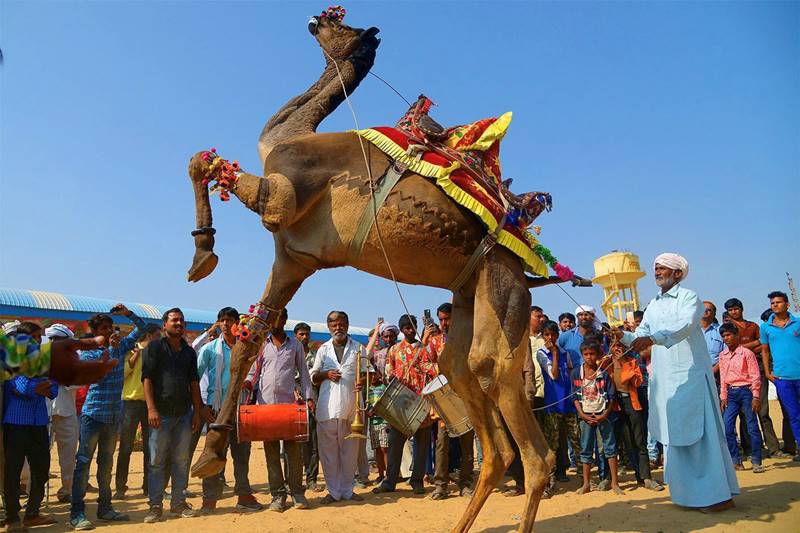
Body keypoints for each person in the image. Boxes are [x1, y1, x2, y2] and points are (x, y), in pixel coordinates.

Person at [617, 253, 738, 511]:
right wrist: (623, 336)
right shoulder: (653, 304)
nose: (658, 272)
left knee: (701, 437)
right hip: (665, 381)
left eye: (663, 268)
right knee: (675, 436)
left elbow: (684, 326)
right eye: (656, 268)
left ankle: (717, 497)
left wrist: (653, 339)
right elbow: (641, 333)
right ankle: (687, 496)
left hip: (690, 377)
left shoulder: (689, 298)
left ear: (678, 274)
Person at [70, 305, 146, 530]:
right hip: (93, 415)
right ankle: (77, 513)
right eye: (103, 329)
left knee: (105, 464)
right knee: (83, 463)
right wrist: (112, 349)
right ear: (93, 331)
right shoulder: (88, 351)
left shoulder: (121, 346)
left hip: (113, 416)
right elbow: (99, 371)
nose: (108, 331)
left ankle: (105, 508)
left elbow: (143, 328)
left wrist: (128, 313)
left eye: (110, 328)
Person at [245, 308, 314, 512]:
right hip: (265, 407)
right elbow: (253, 371)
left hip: (289, 408)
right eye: (272, 318)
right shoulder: (261, 344)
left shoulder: (295, 345)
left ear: (284, 319)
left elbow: (303, 372)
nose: (276, 321)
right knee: (272, 453)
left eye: (280, 317)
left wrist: (309, 397)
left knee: (294, 452)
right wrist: (248, 383)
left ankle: (298, 494)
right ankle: (278, 496)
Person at [198, 307, 261, 514]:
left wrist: (249, 382)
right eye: (222, 320)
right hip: (216, 410)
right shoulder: (209, 349)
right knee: (213, 454)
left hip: (240, 410)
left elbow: (255, 372)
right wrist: (201, 406)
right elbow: (194, 379)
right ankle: (209, 501)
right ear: (218, 323)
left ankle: (243, 496)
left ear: (237, 324)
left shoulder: (247, 347)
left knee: (241, 455)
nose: (226, 323)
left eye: (230, 320)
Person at [142, 308, 202, 523]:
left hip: (184, 414)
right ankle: (155, 506)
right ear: (164, 325)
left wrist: (197, 411)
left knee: (181, 460)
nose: (178, 324)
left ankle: (178, 503)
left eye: (181, 321)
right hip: (160, 414)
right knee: (157, 461)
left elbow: (194, 383)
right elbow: (146, 379)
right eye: (174, 320)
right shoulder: (154, 348)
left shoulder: (188, 352)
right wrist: (151, 409)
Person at [373, 314, 437, 496]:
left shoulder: (425, 348)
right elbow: (388, 371)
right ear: (401, 330)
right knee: (395, 443)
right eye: (406, 327)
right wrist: (390, 376)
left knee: (422, 443)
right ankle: (390, 480)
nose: (410, 330)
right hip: (400, 401)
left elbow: (431, 369)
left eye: (413, 326)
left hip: (421, 400)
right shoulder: (394, 350)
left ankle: (417, 480)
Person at [3, 335, 58, 530]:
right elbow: (23, 388)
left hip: (38, 423)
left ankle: (32, 513)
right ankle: (12, 517)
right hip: (16, 424)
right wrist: (40, 385)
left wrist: (40, 386)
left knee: (41, 470)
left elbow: (54, 390)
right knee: (13, 472)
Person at [311, 311, 366, 503]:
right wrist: (326, 375)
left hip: (352, 409)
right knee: (328, 453)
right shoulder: (323, 350)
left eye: (341, 324)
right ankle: (333, 492)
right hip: (328, 408)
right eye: (334, 325)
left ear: (348, 325)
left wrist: (363, 381)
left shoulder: (359, 348)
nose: (338, 328)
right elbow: (313, 376)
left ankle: (347, 491)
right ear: (328, 327)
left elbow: (368, 374)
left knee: (350, 453)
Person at [426, 303, 475, 500]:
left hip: (466, 398)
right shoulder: (434, 342)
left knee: (466, 443)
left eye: (447, 319)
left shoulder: (468, 338)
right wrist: (441, 369)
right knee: (442, 444)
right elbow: (425, 363)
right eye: (441, 319)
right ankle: (440, 485)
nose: (444, 323)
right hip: (444, 402)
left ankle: (465, 483)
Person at [725, 298, 784, 459]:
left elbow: (763, 344)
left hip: (757, 367)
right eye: (730, 310)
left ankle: (773, 447)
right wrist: (752, 345)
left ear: (741, 309)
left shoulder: (753, 326)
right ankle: (750, 449)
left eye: (736, 309)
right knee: (745, 413)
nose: (734, 312)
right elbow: (734, 348)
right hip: (740, 374)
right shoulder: (729, 328)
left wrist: (746, 346)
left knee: (763, 410)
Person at [608, 341, 663, 490]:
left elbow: (637, 381)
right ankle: (614, 478)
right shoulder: (606, 363)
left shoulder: (632, 362)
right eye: (615, 346)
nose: (618, 348)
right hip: (614, 405)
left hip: (632, 403)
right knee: (625, 443)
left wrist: (623, 363)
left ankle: (646, 478)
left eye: (621, 346)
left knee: (640, 441)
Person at [114, 323, 161, 500]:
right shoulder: (130, 349)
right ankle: (120, 487)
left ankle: (148, 486)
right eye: (157, 336)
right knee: (125, 447)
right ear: (148, 336)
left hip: (151, 405)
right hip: (130, 403)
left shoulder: (158, 353)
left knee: (151, 448)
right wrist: (138, 352)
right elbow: (123, 372)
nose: (159, 339)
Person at [535, 321, 580, 497]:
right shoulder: (542, 353)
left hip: (568, 402)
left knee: (576, 439)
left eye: (553, 334)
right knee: (552, 444)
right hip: (553, 403)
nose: (550, 338)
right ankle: (550, 481)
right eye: (547, 335)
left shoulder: (566, 353)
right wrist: (554, 353)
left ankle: (584, 476)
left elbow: (569, 373)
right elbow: (553, 374)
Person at [572, 341, 622, 495]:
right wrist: (582, 414)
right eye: (586, 354)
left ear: (598, 355)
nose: (589, 357)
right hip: (585, 416)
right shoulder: (576, 373)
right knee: (586, 449)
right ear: (582, 355)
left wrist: (605, 414)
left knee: (609, 448)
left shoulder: (604, 373)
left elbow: (611, 396)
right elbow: (574, 396)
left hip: (603, 415)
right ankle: (586, 483)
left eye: (592, 354)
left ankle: (614, 483)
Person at [718, 323, 764, 473]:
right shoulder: (723, 355)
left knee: (752, 426)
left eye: (729, 335)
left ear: (736, 335)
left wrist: (756, 396)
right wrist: (723, 396)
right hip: (731, 393)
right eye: (724, 336)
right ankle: (735, 460)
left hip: (746, 391)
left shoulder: (746, 353)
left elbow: (755, 375)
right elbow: (723, 376)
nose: (726, 338)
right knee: (727, 427)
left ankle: (756, 460)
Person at [43, 324, 81, 504]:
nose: (53, 342)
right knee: (40, 455)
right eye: (51, 339)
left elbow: (78, 383)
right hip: (43, 414)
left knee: (67, 456)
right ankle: (36, 494)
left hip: (66, 412)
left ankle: (66, 490)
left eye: (57, 340)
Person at [760, 291, 800, 461]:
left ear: (787, 304)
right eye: (772, 303)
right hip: (782, 379)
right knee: (793, 415)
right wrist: (768, 372)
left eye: (778, 302)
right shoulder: (765, 327)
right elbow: (764, 350)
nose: (774, 305)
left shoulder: (798, 323)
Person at [294, 322, 323, 492]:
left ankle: (311, 479)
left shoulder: (315, 356)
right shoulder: (289, 354)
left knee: (313, 443)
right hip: (293, 402)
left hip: (312, 401)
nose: (304, 338)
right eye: (301, 334)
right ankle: (294, 481)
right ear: (295, 336)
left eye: (307, 334)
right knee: (296, 444)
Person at [701, 302, 724, 385]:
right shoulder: (692, 331)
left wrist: (715, 369)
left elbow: (726, 353)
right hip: (696, 372)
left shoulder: (721, 330)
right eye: (703, 309)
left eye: (709, 310)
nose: (705, 311)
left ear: (714, 314)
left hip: (717, 373)